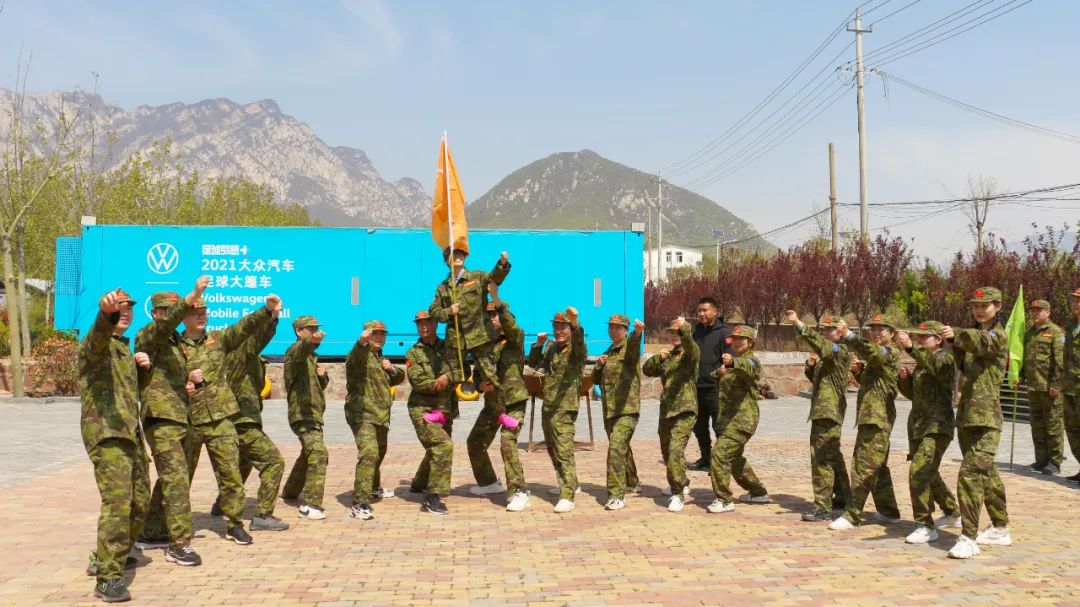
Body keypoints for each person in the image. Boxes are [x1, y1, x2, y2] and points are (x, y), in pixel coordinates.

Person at [179, 292, 279, 545]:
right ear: (182, 317)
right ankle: (164, 527)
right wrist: (185, 379)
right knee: (180, 477)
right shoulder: (173, 347)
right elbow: (161, 378)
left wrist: (266, 311)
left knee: (230, 474)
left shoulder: (218, 340)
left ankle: (234, 524)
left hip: (221, 416)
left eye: (204, 312)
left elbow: (244, 327)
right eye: (195, 313)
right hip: (189, 418)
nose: (201, 316)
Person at [79, 289, 152, 603]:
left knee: (141, 503)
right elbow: (97, 336)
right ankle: (108, 578)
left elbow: (128, 394)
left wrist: (143, 371)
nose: (125, 313)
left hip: (131, 434)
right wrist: (104, 316)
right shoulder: (95, 346)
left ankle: (105, 556)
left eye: (128, 309)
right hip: (107, 434)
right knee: (118, 504)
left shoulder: (124, 349)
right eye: (118, 309)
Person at [135, 280, 206, 567]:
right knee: (176, 479)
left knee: (175, 478)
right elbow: (165, 326)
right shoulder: (148, 335)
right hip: (161, 418)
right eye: (166, 310)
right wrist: (193, 296)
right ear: (155, 313)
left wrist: (189, 383)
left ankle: (152, 532)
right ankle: (179, 545)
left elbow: (172, 377)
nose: (172, 316)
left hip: (182, 416)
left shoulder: (177, 343)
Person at [944, 287, 1012, 559]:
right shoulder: (970, 336)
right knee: (987, 473)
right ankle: (1000, 527)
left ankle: (968, 537)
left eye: (985, 305)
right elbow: (959, 360)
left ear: (998, 307)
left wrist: (955, 334)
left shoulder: (997, 336)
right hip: (967, 417)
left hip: (987, 419)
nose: (979, 310)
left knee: (970, 474)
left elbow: (979, 341)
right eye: (975, 306)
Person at [213, 303, 289, 532]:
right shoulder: (239, 352)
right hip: (242, 422)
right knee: (273, 462)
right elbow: (258, 339)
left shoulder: (250, 356)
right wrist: (271, 319)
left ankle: (222, 503)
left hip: (244, 419)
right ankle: (263, 515)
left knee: (243, 463)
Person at [828, 312, 903, 531]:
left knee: (862, 465)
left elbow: (872, 352)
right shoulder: (878, 355)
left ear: (892, 333)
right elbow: (878, 382)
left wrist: (849, 335)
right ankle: (888, 511)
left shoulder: (889, 352)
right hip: (871, 417)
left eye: (882, 329)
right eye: (873, 329)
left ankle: (852, 514)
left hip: (877, 418)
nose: (876, 332)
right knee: (877, 466)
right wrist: (860, 373)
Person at [466, 283, 532, 512]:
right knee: (475, 442)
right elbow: (477, 372)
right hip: (493, 405)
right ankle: (489, 483)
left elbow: (510, 323)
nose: (491, 319)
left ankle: (519, 492)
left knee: (507, 442)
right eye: (489, 316)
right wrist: (480, 386)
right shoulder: (485, 344)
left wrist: (495, 297)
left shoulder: (515, 338)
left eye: (494, 315)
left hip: (513, 404)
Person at [895, 322, 961, 544]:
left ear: (938, 340)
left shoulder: (945, 358)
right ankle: (952, 512)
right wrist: (904, 380)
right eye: (918, 337)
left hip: (937, 426)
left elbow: (936, 367)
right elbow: (914, 394)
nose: (920, 340)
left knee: (919, 472)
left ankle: (924, 525)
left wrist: (910, 347)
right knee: (929, 472)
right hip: (919, 426)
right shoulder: (923, 362)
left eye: (925, 337)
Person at [784, 311, 852, 522]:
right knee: (832, 455)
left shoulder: (840, 350)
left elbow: (822, 345)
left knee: (821, 458)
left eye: (832, 329)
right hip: (823, 410)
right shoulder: (827, 354)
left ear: (841, 332)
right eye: (825, 329)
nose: (827, 332)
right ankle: (844, 496)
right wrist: (810, 368)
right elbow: (820, 380)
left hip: (829, 411)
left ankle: (823, 505)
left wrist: (799, 324)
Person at [345, 320, 406, 521]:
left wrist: (392, 369)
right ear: (367, 335)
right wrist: (361, 342)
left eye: (382, 334)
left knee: (379, 452)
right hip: (362, 414)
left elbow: (398, 378)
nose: (379, 337)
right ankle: (360, 502)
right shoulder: (361, 356)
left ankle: (372, 487)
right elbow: (355, 356)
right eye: (374, 334)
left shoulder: (381, 358)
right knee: (369, 452)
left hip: (380, 415)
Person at [527, 307, 586, 513]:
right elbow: (534, 365)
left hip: (565, 406)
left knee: (563, 450)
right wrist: (538, 345)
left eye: (564, 327)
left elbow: (579, 341)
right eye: (556, 327)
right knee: (552, 448)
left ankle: (567, 495)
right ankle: (572, 483)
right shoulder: (552, 348)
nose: (559, 331)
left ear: (570, 329)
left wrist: (576, 322)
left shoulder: (576, 349)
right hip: (549, 405)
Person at [706, 324, 771, 513]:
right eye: (733, 339)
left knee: (719, 454)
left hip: (743, 419)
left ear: (750, 342)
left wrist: (733, 362)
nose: (736, 342)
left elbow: (748, 367)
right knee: (734, 458)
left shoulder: (751, 361)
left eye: (741, 339)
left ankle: (724, 499)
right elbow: (715, 375)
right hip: (728, 420)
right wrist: (719, 373)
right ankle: (757, 492)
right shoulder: (732, 364)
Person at [429, 248, 511, 392]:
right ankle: (445, 407)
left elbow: (494, 279)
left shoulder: (477, 277)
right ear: (447, 260)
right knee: (450, 376)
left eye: (461, 254)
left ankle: (500, 405)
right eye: (454, 254)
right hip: (456, 340)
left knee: (491, 377)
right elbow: (433, 311)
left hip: (480, 336)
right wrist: (448, 311)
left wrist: (502, 264)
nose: (458, 256)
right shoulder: (443, 287)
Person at [642, 317, 699, 513]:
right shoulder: (668, 355)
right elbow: (647, 370)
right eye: (672, 332)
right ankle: (681, 482)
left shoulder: (691, 353)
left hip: (684, 409)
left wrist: (685, 329)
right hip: (666, 410)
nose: (675, 336)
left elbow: (691, 345)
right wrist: (658, 358)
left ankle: (678, 494)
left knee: (675, 450)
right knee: (667, 452)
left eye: (678, 333)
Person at [591, 314, 645, 511]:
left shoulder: (629, 347)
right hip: (610, 410)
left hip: (627, 409)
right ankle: (632, 482)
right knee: (621, 446)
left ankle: (616, 495)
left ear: (625, 330)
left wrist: (637, 333)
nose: (613, 331)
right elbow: (595, 380)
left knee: (615, 447)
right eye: (611, 327)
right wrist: (599, 365)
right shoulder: (609, 351)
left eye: (618, 328)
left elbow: (634, 348)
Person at [406, 310, 456, 515]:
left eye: (427, 323)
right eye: (419, 324)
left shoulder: (449, 348)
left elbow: (463, 369)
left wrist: (449, 376)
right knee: (443, 445)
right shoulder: (413, 353)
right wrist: (439, 382)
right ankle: (433, 497)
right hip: (422, 408)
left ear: (436, 324)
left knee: (435, 449)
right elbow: (417, 381)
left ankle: (419, 483)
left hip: (446, 408)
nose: (423, 327)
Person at [281, 316, 331, 520]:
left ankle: (291, 490)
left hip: (314, 414)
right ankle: (311, 504)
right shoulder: (294, 351)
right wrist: (312, 342)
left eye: (316, 329)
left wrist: (323, 377)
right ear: (299, 332)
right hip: (302, 414)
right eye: (310, 329)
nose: (315, 332)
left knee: (308, 453)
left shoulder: (311, 357)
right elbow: (300, 350)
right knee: (318, 453)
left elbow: (317, 387)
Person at [1021, 299, 1066, 475]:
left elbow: (1060, 361)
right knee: (1037, 425)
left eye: (1039, 310)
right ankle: (1041, 460)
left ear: (1048, 312)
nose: (1035, 313)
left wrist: (1056, 384)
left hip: (1049, 388)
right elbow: (1026, 358)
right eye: (1032, 310)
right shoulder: (1029, 333)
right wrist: (1021, 376)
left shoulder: (1056, 332)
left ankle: (1055, 462)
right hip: (1034, 387)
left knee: (1053, 425)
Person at [691, 297, 732, 470]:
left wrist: (724, 369)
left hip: (716, 388)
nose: (701, 313)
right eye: (699, 310)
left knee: (719, 427)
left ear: (715, 311)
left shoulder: (724, 333)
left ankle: (720, 463)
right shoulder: (696, 333)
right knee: (699, 427)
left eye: (705, 310)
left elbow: (730, 358)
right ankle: (706, 458)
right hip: (697, 388)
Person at [1065, 288, 1080, 483]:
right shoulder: (1071, 326)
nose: (1075, 303)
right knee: (1073, 429)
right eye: (1073, 300)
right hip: (1070, 386)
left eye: (1078, 301)